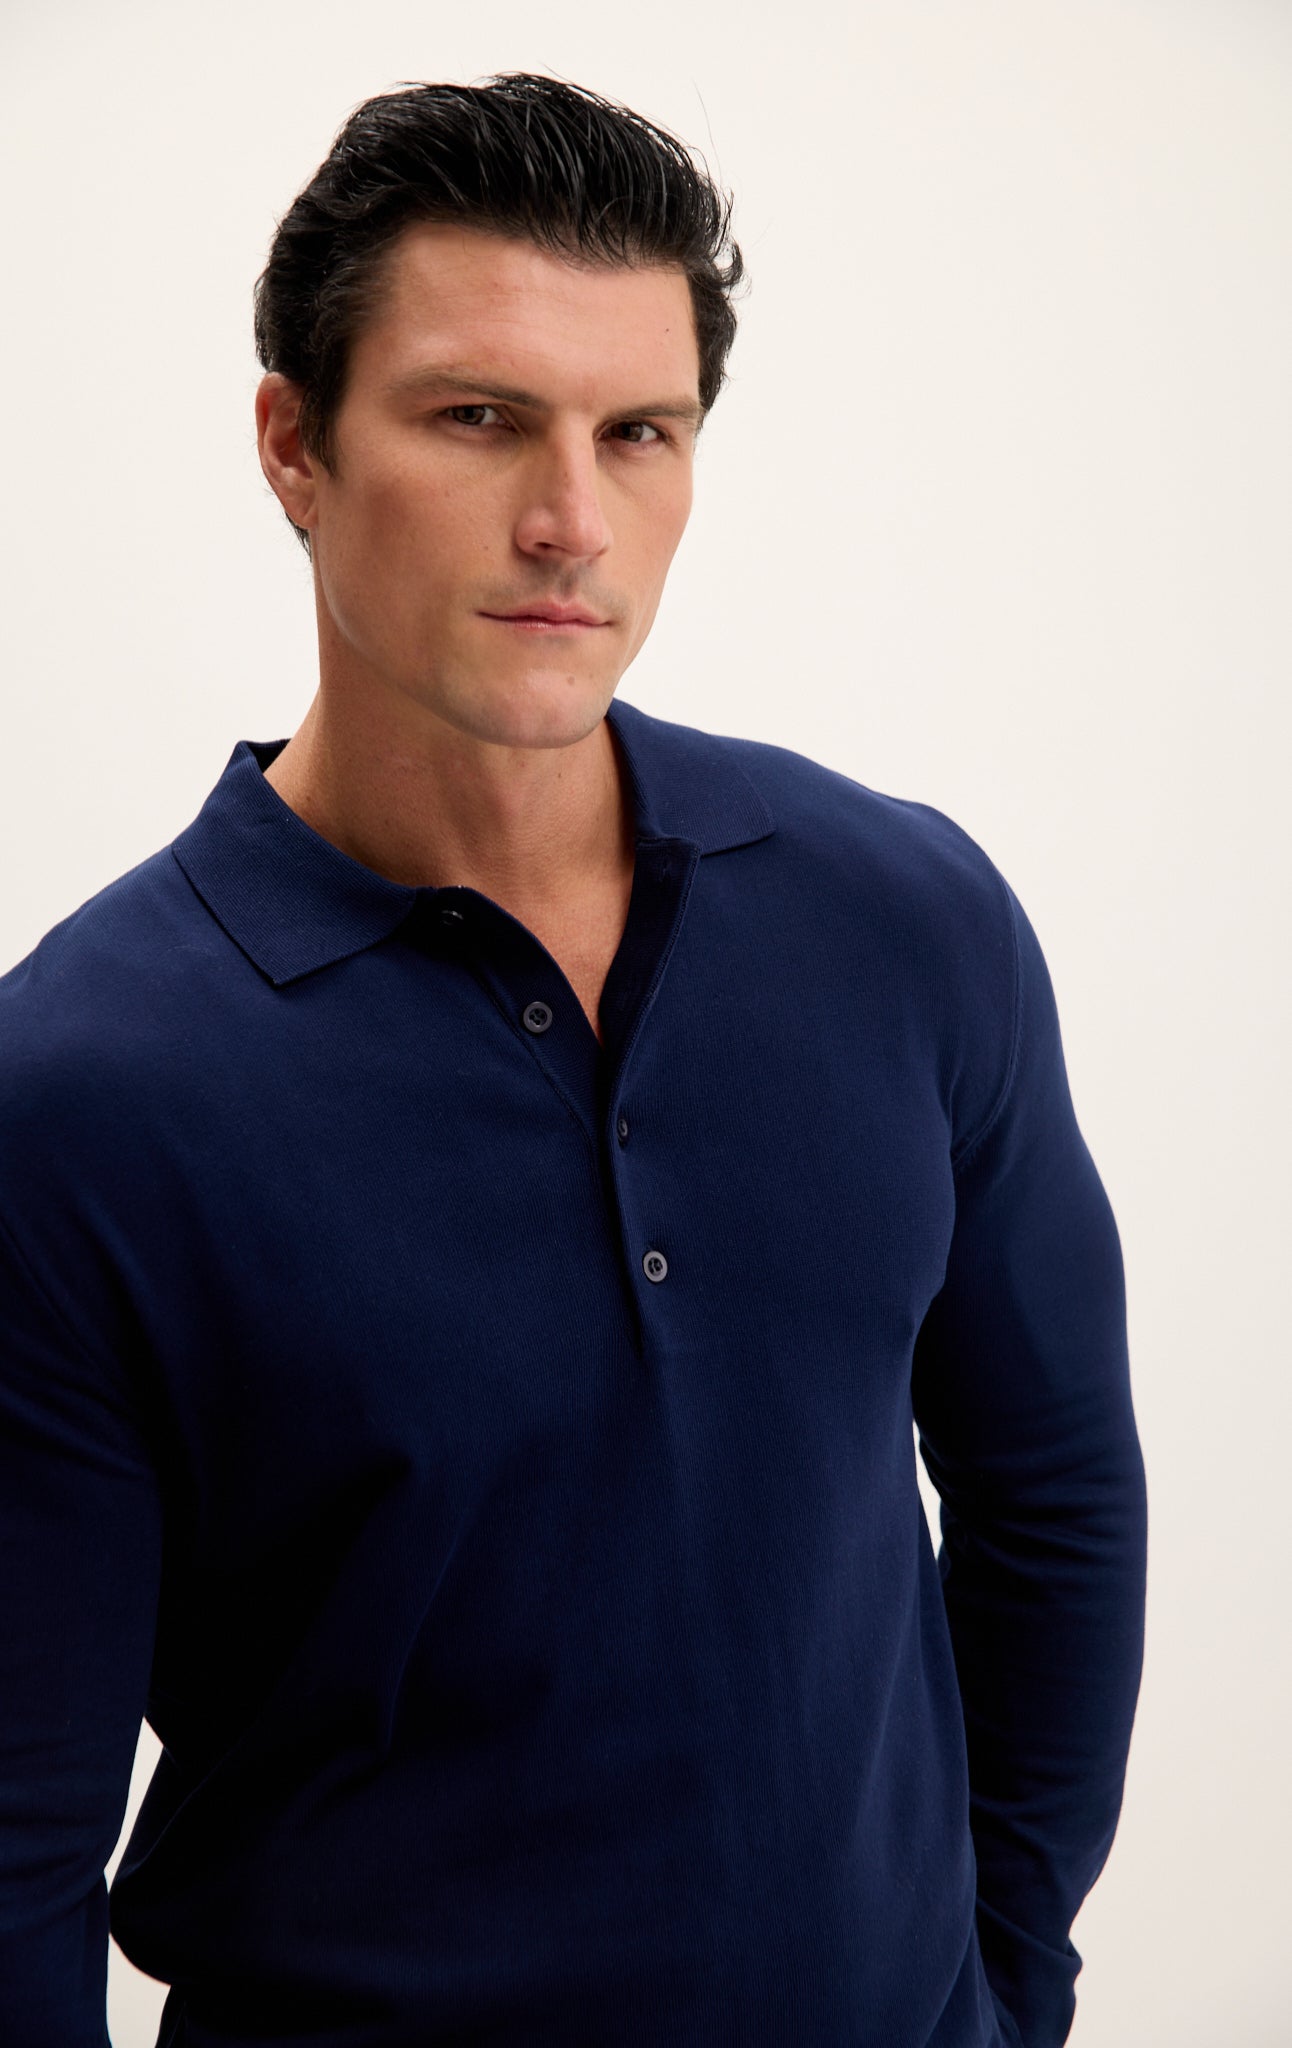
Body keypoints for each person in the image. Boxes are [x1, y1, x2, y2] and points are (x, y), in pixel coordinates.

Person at [0, 74, 1147, 2048]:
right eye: (477, 419)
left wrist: (1008, 1990)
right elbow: (14, 1856)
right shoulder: (80, 1093)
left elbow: (1054, 1499)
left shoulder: (903, 918)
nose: (570, 520)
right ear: (293, 444)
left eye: (639, 432)